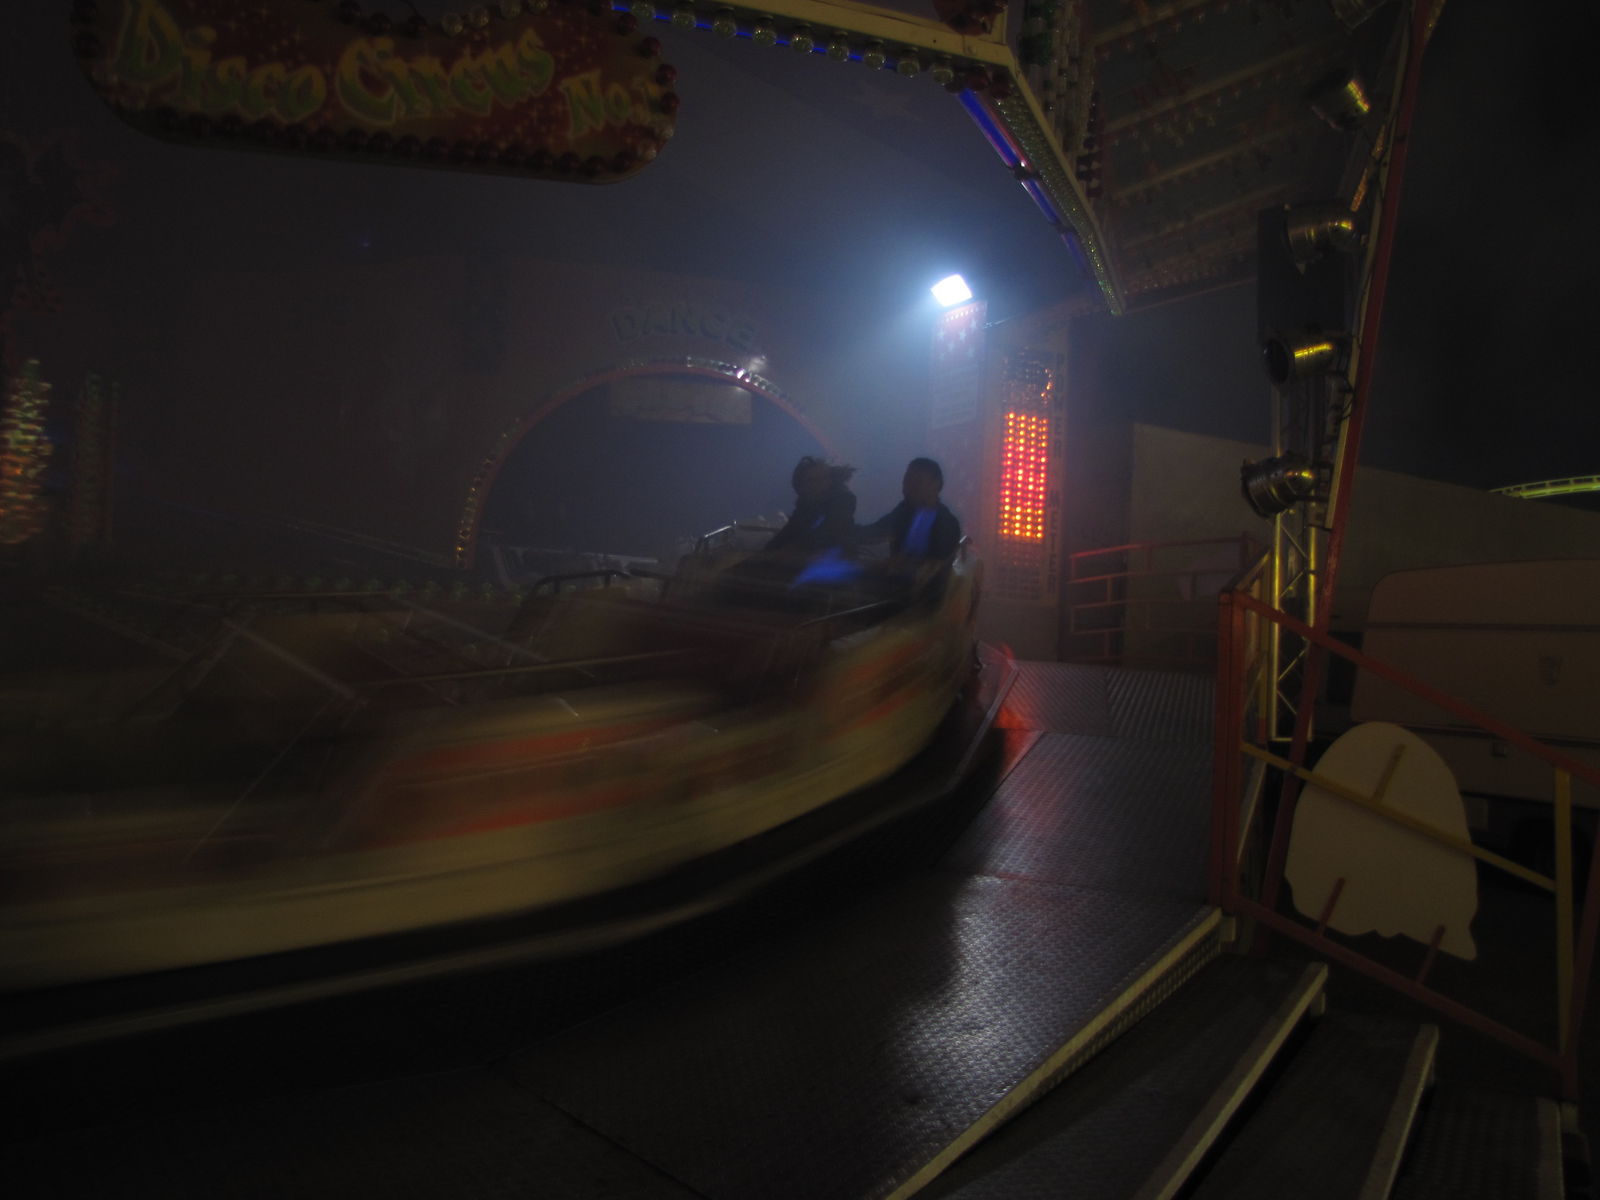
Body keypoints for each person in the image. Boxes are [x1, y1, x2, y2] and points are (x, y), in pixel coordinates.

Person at [860, 457, 963, 564]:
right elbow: (877, 531)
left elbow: (931, 565)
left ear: (935, 485)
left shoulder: (948, 524)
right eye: (907, 480)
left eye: (917, 481)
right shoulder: (905, 510)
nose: (908, 486)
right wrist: (850, 531)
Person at [765, 456, 858, 561]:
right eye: (812, 480)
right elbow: (791, 529)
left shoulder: (844, 499)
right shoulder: (806, 501)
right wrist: (766, 552)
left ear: (831, 479)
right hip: (805, 558)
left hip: (837, 562)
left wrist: (788, 550)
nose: (819, 483)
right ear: (802, 485)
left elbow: (829, 531)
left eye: (824, 478)